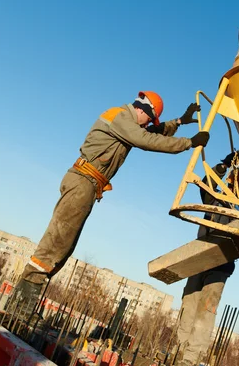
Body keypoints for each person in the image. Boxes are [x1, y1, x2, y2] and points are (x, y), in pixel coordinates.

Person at [12, 91, 210, 313]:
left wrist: (179, 122)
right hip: (82, 182)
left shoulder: (126, 122)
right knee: (57, 241)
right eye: (149, 119)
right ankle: (22, 301)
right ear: (142, 111)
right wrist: (188, 143)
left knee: (64, 245)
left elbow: (152, 132)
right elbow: (146, 139)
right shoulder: (119, 116)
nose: (148, 125)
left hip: (88, 184)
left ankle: (25, 301)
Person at [176, 152, 239, 366]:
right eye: (231, 179)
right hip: (200, 256)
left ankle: (190, 360)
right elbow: (206, 185)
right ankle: (179, 352)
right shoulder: (216, 198)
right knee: (189, 304)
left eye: (236, 181)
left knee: (206, 310)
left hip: (221, 263)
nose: (231, 183)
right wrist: (223, 166)